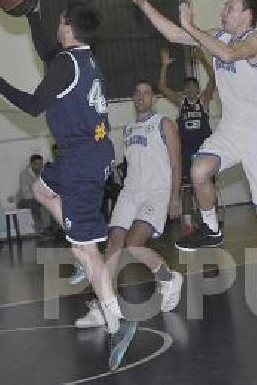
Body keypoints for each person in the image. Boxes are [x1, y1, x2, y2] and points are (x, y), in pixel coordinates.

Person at [0, 0, 137, 370]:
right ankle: (80, 244)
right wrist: (31, 14)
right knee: (40, 189)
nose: (57, 27)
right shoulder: (84, 60)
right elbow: (47, 51)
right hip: (88, 154)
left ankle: (117, 321)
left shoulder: (64, 65)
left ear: (69, 28)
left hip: (81, 164)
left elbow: (31, 105)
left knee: (88, 252)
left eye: (59, 22)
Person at [120, 0, 257, 317]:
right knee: (199, 168)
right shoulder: (218, 36)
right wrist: (143, 3)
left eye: (230, 7)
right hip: (233, 129)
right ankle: (212, 228)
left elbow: (230, 54)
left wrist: (193, 28)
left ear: (247, 15)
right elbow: (174, 34)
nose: (223, 10)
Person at [75, 80, 184, 329]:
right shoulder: (128, 129)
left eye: (146, 93)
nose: (141, 97)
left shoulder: (164, 124)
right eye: (137, 93)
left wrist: (175, 196)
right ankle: (105, 304)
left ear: (154, 98)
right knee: (113, 242)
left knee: (134, 245)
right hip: (130, 192)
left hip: (156, 192)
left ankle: (168, 278)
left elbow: (176, 164)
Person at [157, 46, 217, 222]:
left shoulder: (203, 100)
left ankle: (213, 218)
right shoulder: (181, 102)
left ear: (198, 89)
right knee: (187, 187)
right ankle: (188, 222)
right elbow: (161, 86)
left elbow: (214, 79)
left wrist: (203, 59)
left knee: (209, 184)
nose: (190, 89)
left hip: (204, 149)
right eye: (187, 87)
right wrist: (164, 65)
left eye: (193, 87)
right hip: (186, 150)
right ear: (184, 90)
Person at [18, 154, 57, 239]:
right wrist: (42, 197)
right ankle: (41, 230)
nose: (39, 166)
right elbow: (26, 193)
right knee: (36, 205)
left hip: (41, 198)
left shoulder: (44, 173)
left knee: (54, 203)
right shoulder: (24, 174)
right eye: (36, 164)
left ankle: (54, 229)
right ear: (31, 164)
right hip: (25, 200)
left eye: (40, 164)